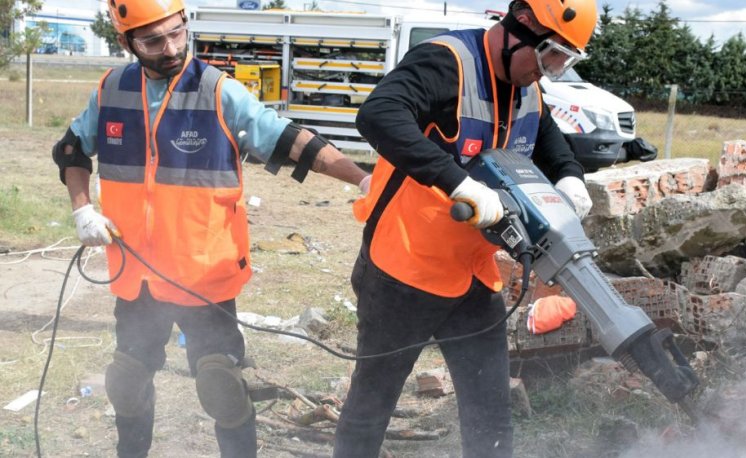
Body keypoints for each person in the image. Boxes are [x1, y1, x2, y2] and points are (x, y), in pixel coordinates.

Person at [51, 1, 369, 457]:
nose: (172, 48)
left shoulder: (217, 90)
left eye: (178, 33)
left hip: (204, 276)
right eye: (154, 41)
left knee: (222, 386)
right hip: (136, 273)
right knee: (126, 380)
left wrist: (361, 177)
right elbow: (72, 150)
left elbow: (288, 139)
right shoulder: (111, 90)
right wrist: (82, 209)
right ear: (127, 43)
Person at [334, 0, 597, 456]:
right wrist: (457, 181)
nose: (550, 71)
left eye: (564, 60)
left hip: (473, 276)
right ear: (521, 24)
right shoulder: (445, 62)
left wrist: (570, 175)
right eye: (550, 55)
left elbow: (549, 140)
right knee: (370, 409)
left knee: (491, 414)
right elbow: (377, 115)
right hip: (402, 270)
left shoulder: (527, 86)